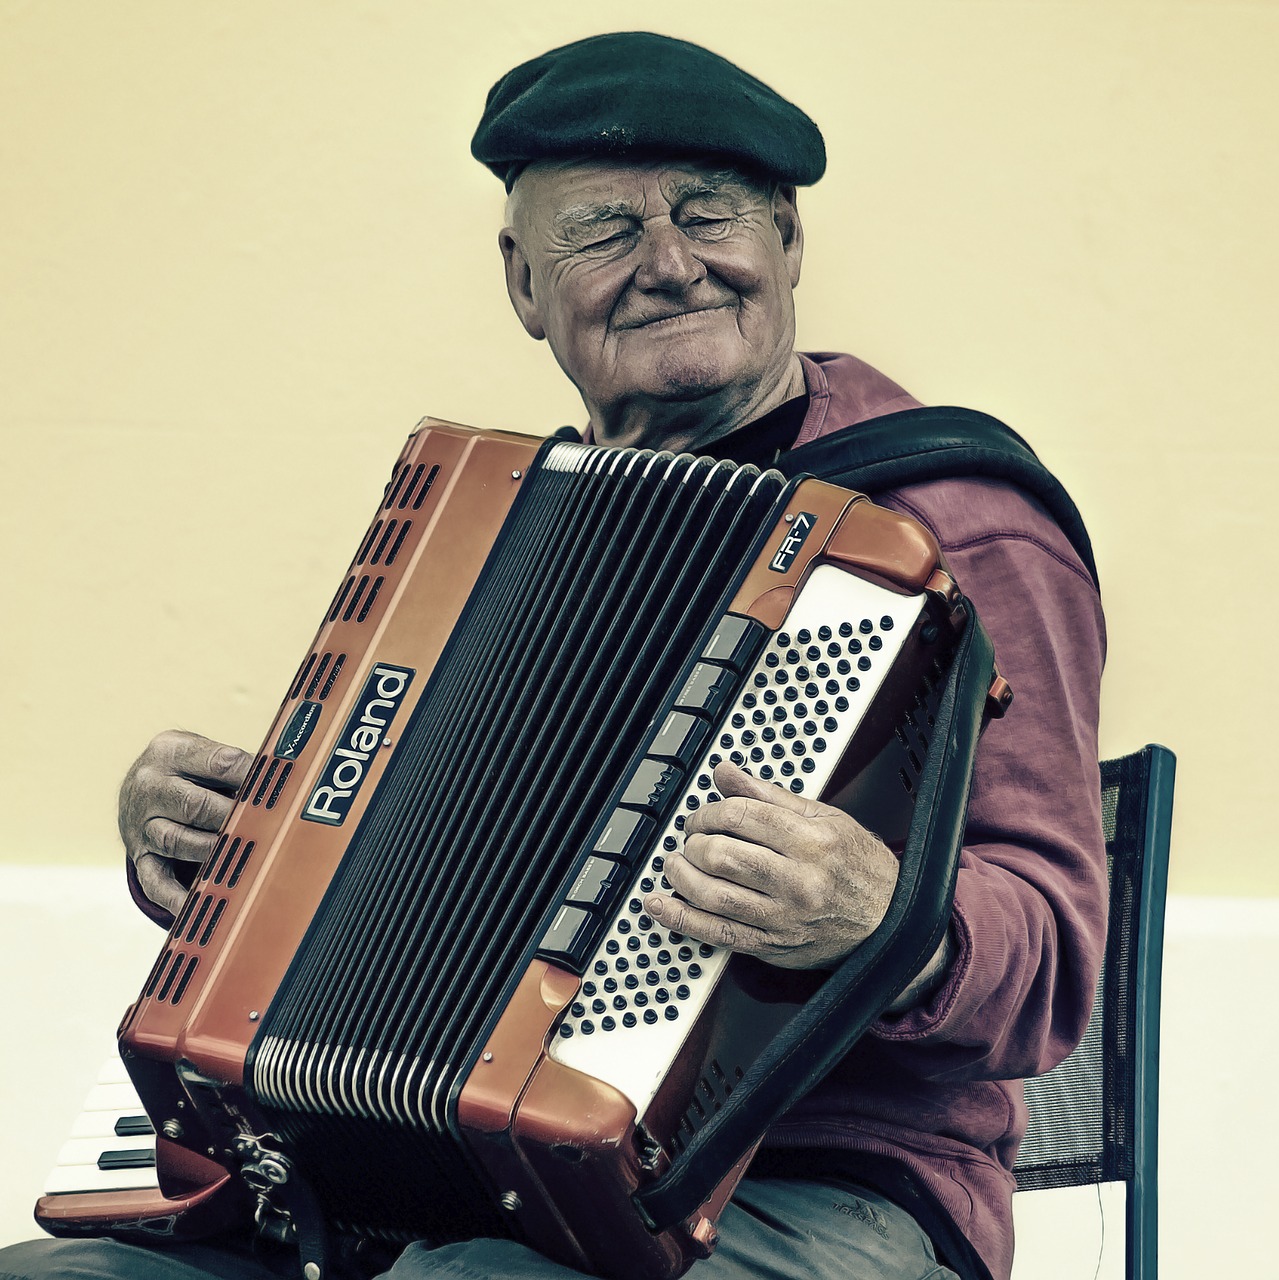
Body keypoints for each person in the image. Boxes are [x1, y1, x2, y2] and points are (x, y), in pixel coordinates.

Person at [0, 31, 1106, 1280]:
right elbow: (380, 870)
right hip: (434, 1170)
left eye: (709, 216)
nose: (670, 265)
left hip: (824, 1181)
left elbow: (1056, 959)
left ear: (786, 247)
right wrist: (210, 850)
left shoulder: (950, 523)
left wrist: (882, 918)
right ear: (524, 285)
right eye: (602, 231)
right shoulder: (494, 535)